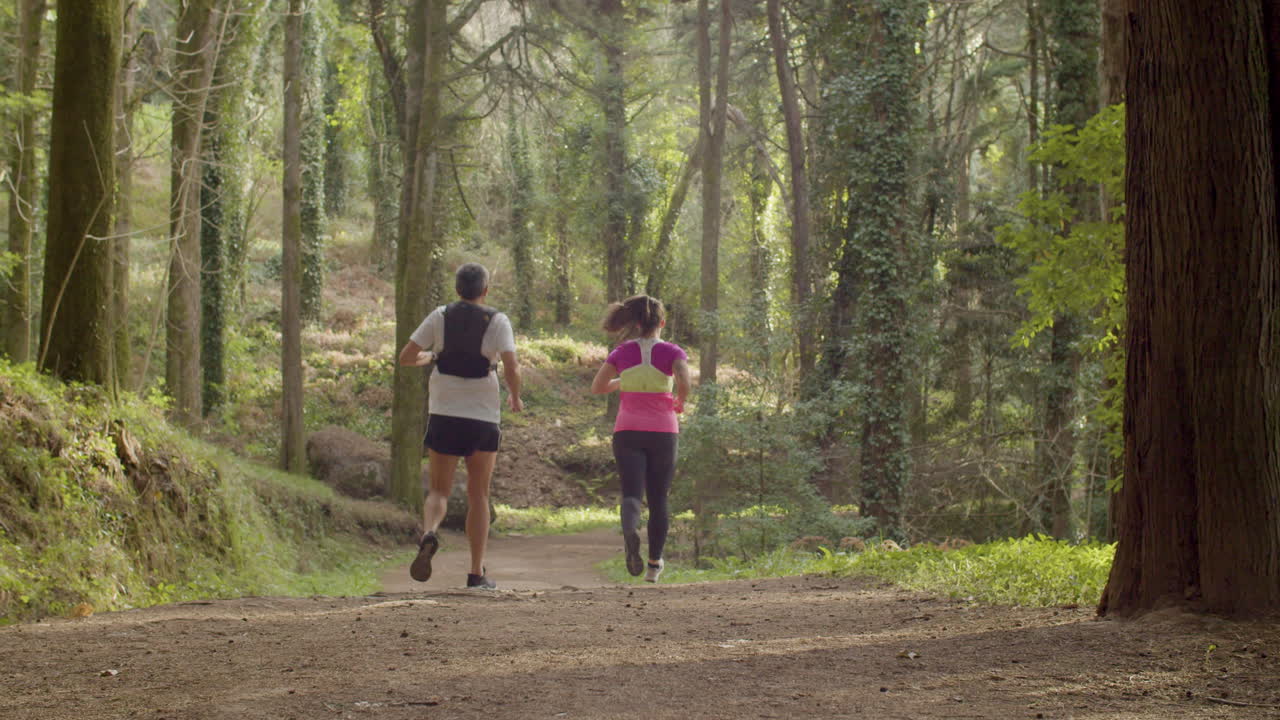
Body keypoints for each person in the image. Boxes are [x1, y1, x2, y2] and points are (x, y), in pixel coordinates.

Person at [398, 262, 522, 589]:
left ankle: (429, 533)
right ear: (485, 291)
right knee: (478, 493)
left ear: (457, 290)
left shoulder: (440, 315)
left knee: (439, 489)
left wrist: (432, 358)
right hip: (482, 416)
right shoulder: (498, 321)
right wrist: (515, 397)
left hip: (444, 413)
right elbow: (510, 364)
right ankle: (476, 573)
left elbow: (407, 356)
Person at [590, 294, 691, 583]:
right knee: (659, 498)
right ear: (662, 322)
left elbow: (598, 387)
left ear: (635, 324)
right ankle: (653, 565)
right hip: (663, 431)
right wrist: (680, 400)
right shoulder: (673, 351)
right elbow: (684, 381)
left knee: (632, 493)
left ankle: (630, 530)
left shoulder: (622, 352)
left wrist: (625, 380)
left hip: (628, 431)